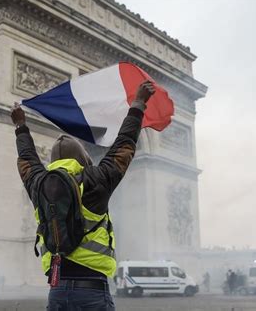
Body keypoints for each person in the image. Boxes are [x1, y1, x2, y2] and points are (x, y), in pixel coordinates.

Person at [11, 80, 156, 310]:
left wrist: (20, 127)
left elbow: (27, 158)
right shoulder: (97, 180)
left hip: (57, 290)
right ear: (83, 159)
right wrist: (138, 103)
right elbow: (124, 145)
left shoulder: (39, 184)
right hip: (93, 291)